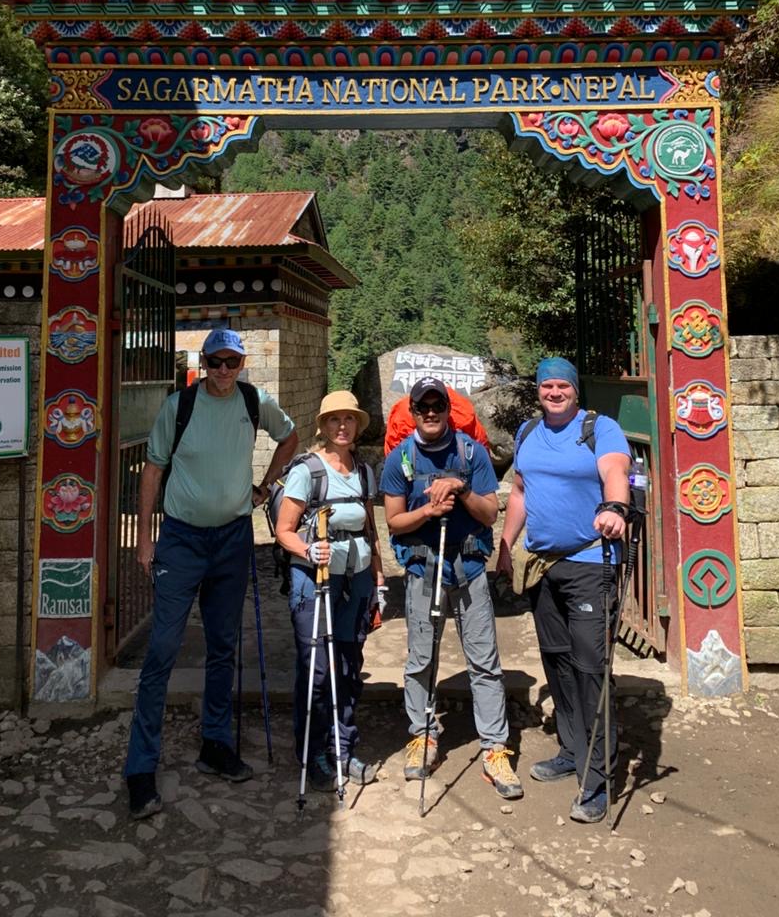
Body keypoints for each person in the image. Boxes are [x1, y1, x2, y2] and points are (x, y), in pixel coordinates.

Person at [123, 328, 298, 820]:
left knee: (225, 646)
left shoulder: (253, 400)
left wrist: (267, 487)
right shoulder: (178, 406)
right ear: (202, 363)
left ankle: (216, 745)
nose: (223, 371)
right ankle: (140, 768)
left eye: (232, 362)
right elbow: (153, 470)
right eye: (215, 362)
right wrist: (144, 537)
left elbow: (291, 437)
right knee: (161, 649)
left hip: (232, 538)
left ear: (242, 364)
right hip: (181, 540)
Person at [497, 356, 631, 824]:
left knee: (590, 665)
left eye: (562, 386)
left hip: (591, 561)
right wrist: (506, 542)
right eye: (547, 386)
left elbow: (615, 470)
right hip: (542, 566)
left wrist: (614, 506)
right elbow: (519, 491)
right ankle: (573, 749)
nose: (554, 393)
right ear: (538, 390)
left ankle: (599, 778)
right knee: (556, 658)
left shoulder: (601, 429)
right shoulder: (529, 432)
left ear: (576, 390)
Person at [380, 376, 522, 800]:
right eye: (422, 406)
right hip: (424, 570)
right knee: (421, 659)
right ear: (412, 411)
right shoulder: (399, 460)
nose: (430, 412)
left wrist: (459, 491)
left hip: (469, 569)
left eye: (436, 405)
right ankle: (422, 734)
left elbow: (488, 513)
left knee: (483, 660)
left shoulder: (471, 453)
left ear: (446, 408)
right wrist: (427, 510)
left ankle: (495, 747)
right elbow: (393, 521)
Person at [275, 390, 385, 791]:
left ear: (357, 426)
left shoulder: (364, 471)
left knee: (348, 665)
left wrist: (378, 576)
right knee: (318, 669)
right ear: (322, 426)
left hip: (355, 579)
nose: (343, 426)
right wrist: (308, 548)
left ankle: (344, 746)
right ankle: (314, 751)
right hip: (314, 579)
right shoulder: (308, 470)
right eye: (334, 419)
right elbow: (283, 530)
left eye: (349, 419)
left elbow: (369, 529)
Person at [384, 384, 491, 456]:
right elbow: (394, 460)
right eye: (423, 408)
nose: (431, 413)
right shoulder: (401, 421)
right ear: (411, 411)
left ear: (449, 409)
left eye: (438, 407)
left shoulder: (463, 416)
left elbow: (481, 456)